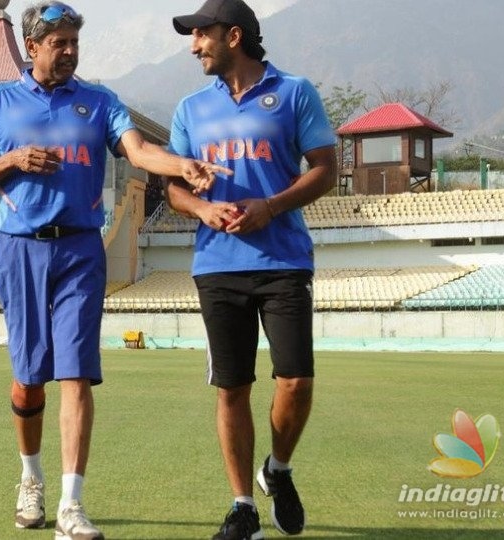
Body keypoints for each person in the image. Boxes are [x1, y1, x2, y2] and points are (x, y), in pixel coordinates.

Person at [0, 3, 230, 539]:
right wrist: (11, 160)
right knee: (29, 380)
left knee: (77, 374)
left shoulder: (99, 102)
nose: (69, 51)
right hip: (19, 249)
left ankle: (71, 505)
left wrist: (182, 165)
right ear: (32, 47)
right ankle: (29, 479)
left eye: (73, 42)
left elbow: (139, 150)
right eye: (58, 42)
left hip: (81, 249)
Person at [165, 1, 338, 538]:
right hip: (216, 265)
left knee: (297, 381)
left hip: (284, 260)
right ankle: (243, 508)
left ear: (233, 36)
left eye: (201, 35)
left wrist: (269, 206)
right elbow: (172, 187)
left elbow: (326, 170)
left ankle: (277, 469)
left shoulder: (294, 92)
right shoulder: (191, 108)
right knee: (231, 388)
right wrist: (201, 208)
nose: (194, 45)